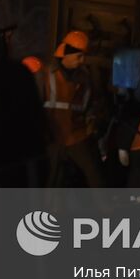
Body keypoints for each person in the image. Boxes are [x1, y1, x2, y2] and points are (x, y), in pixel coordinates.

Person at [38, 30, 106, 188]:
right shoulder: (46, 74)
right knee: (50, 182)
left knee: (96, 178)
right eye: (78, 56)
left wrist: (93, 122)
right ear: (66, 54)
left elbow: (93, 104)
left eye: (83, 56)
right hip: (53, 137)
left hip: (77, 136)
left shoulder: (85, 77)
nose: (82, 61)